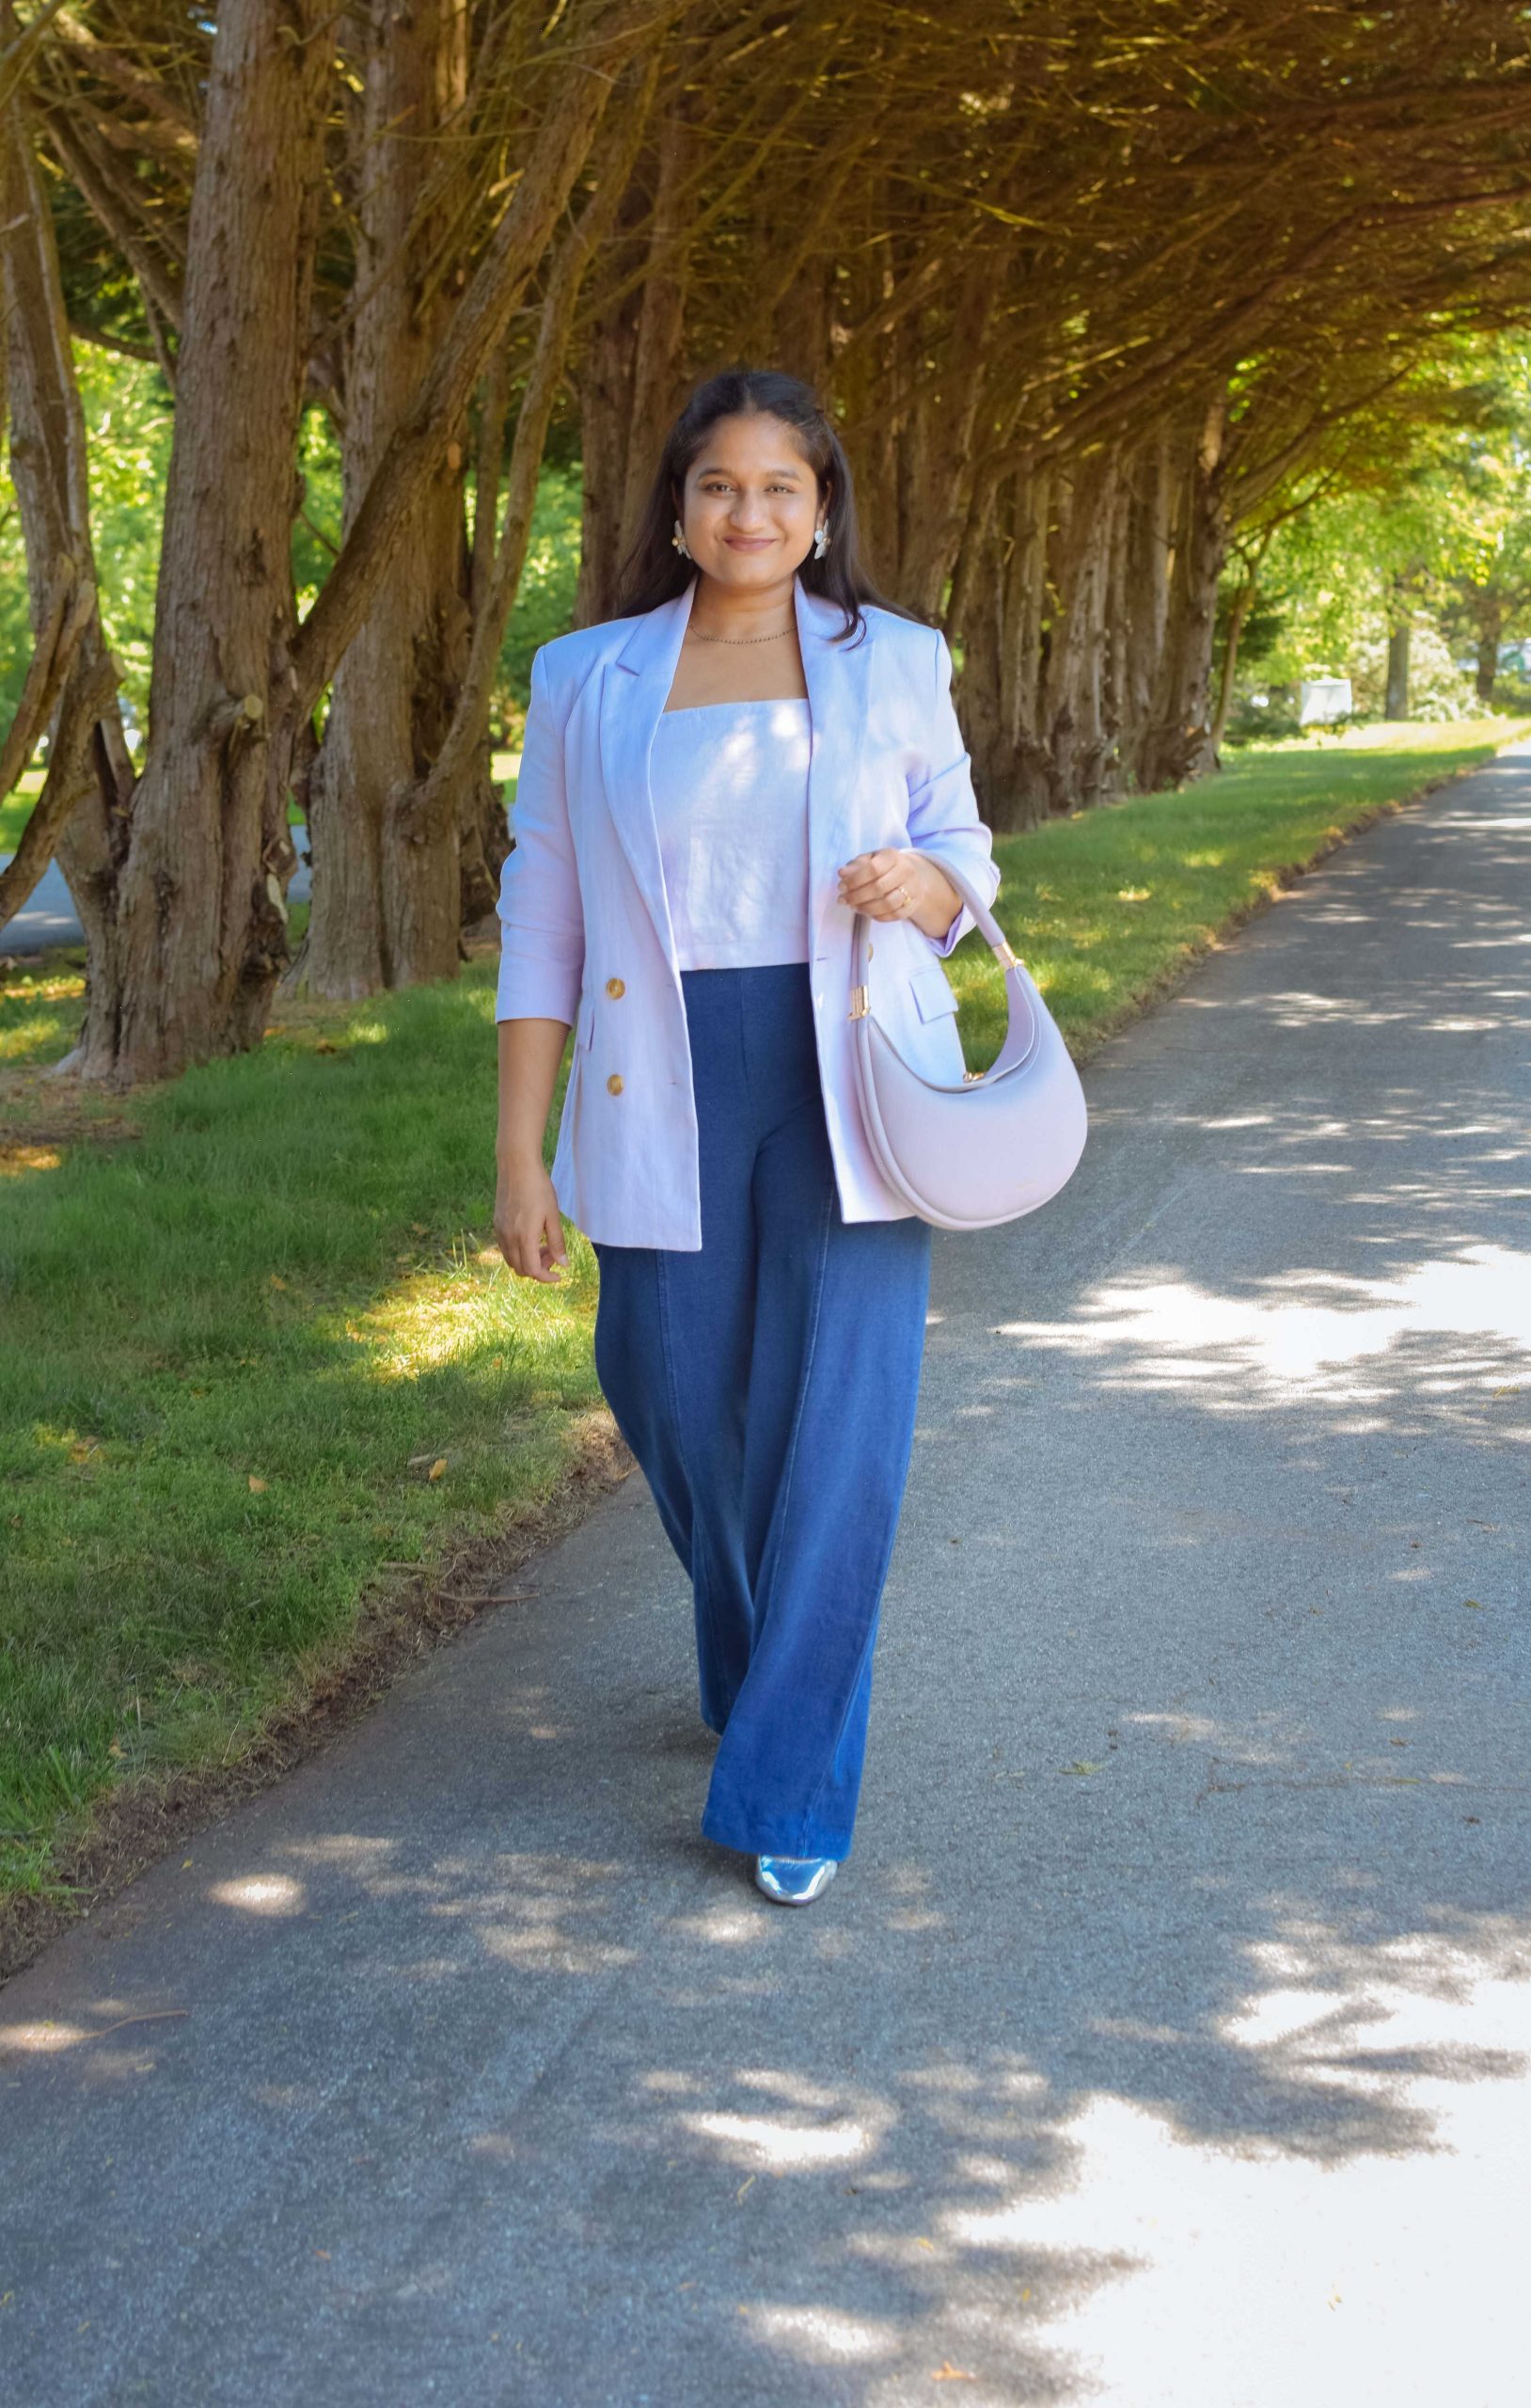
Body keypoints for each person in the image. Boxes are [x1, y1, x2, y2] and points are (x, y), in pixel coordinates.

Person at [493, 368, 1000, 1906]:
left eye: (784, 487)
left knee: (839, 1415)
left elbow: (965, 847)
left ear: (823, 509)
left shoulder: (895, 661)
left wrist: (931, 890)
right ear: (678, 504)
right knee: (668, 1387)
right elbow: (545, 920)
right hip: (663, 1071)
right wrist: (519, 1155)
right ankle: (748, 1637)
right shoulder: (585, 676)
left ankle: (791, 1779)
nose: (752, 512)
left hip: (849, 1074)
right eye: (722, 484)